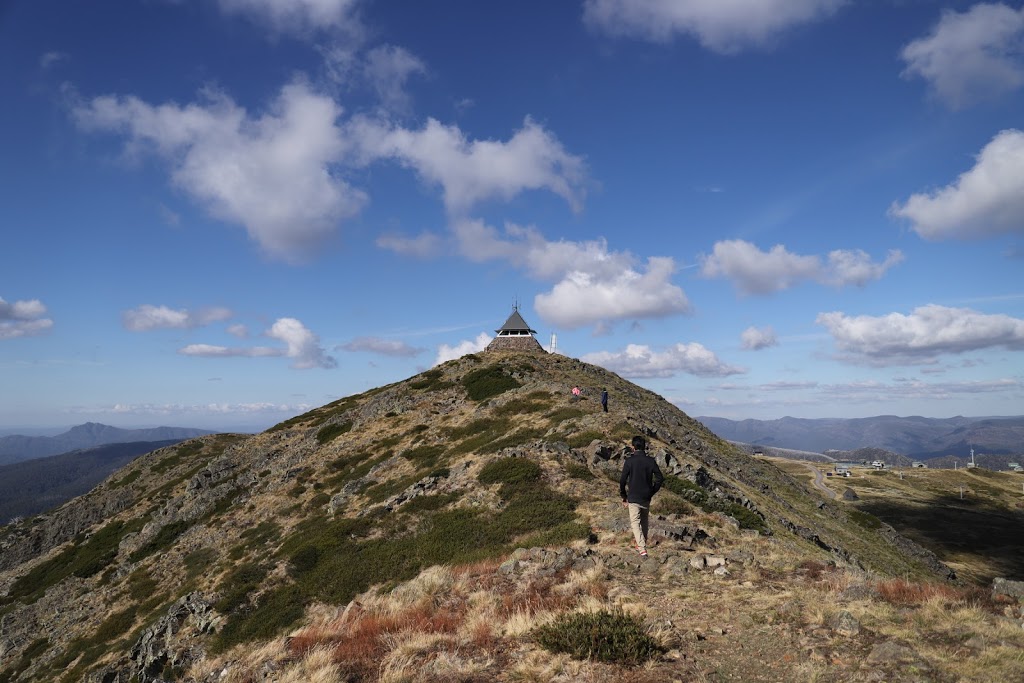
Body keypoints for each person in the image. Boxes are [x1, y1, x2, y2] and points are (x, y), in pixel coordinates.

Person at [619, 435, 664, 558]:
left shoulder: (629, 461)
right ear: (644, 447)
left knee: (635, 522)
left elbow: (622, 481)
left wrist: (624, 496)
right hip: (646, 497)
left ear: (633, 447)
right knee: (644, 521)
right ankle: (641, 545)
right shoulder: (650, 461)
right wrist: (652, 491)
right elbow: (660, 478)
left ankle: (642, 549)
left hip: (633, 497)